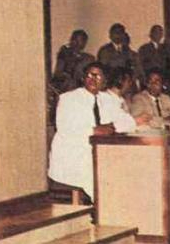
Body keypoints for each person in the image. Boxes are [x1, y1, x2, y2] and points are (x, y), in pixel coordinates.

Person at [49, 62, 136, 201]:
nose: (93, 79)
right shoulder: (68, 99)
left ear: (105, 81)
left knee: (127, 167)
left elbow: (128, 122)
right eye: (89, 75)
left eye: (98, 76)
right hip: (74, 154)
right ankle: (106, 208)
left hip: (101, 153)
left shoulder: (108, 100)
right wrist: (93, 130)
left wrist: (112, 127)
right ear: (83, 78)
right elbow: (65, 129)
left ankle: (118, 207)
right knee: (98, 173)